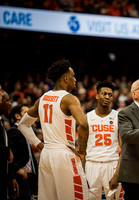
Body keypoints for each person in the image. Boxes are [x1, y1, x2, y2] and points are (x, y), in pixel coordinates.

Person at [18, 58, 89, 200]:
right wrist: (81, 152)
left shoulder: (42, 98)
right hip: (64, 154)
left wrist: (41, 146)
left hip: (47, 155)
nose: (75, 79)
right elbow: (84, 124)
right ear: (66, 77)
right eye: (73, 76)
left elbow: (22, 125)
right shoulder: (70, 99)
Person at [85, 80, 122, 200]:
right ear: (97, 95)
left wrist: (117, 174)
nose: (107, 97)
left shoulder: (118, 117)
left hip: (112, 163)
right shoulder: (87, 117)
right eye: (104, 94)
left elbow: (124, 148)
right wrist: (82, 174)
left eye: (110, 95)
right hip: (91, 164)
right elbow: (81, 148)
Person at [8, 104, 38, 200]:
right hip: (20, 175)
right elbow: (9, 155)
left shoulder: (28, 131)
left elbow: (30, 156)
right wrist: (17, 169)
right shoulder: (14, 131)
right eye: (26, 113)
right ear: (17, 116)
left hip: (30, 176)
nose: (29, 115)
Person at [0, 89, 17, 199]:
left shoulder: (2, 122)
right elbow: (6, 152)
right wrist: (6, 151)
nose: (10, 104)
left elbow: (7, 158)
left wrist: (11, 177)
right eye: (6, 101)